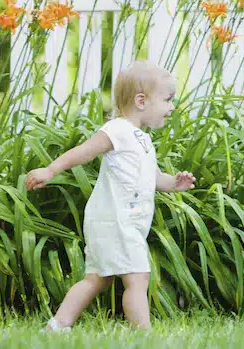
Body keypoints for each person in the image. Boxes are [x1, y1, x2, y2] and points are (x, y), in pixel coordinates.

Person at [24, 60, 196, 332]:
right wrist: (51, 169)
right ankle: (143, 335)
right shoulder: (117, 130)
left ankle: (58, 326)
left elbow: (152, 179)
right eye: (167, 99)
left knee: (97, 279)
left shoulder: (143, 139)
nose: (172, 106)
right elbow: (85, 151)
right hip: (116, 220)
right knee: (137, 278)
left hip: (119, 222)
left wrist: (175, 183)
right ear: (141, 101)